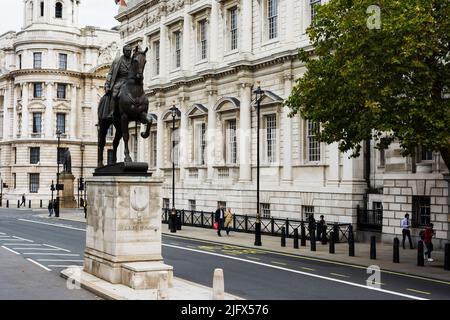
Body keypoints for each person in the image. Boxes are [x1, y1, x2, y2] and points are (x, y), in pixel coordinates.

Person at [104, 44, 133, 120]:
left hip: (130, 81)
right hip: (120, 80)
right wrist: (107, 84)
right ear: (124, 51)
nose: (129, 52)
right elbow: (110, 73)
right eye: (127, 51)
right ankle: (111, 112)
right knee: (114, 94)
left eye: (130, 51)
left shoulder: (133, 61)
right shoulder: (117, 61)